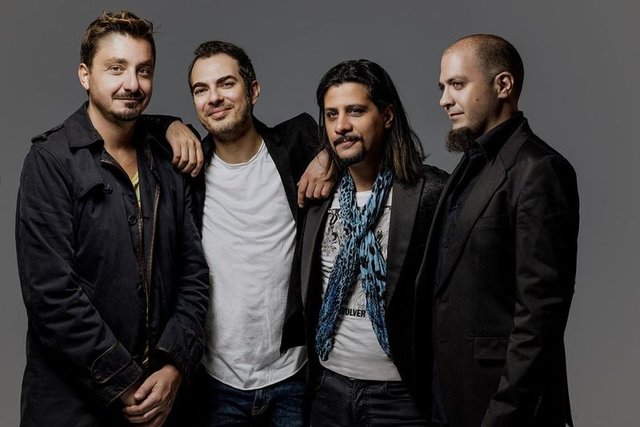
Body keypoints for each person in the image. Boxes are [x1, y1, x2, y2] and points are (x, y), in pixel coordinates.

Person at [15, 10, 209, 427]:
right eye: (116, 68)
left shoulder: (168, 160)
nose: (132, 84)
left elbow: (193, 275)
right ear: (85, 75)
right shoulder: (50, 162)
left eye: (144, 70)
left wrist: (175, 366)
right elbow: (51, 295)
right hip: (72, 407)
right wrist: (126, 383)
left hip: (162, 402)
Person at [415, 34, 580, 427]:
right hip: (446, 397)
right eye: (442, 87)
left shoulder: (539, 170)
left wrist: (503, 415)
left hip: (501, 407)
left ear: (503, 85)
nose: (444, 100)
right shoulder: (470, 164)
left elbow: (539, 317)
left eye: (457, 84)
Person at [182, 40, 330, 426]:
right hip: (216, 381)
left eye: (226, 83)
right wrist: (168, 125)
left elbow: (362, 136)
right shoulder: (187, 173)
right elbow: (129, 125)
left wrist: (328, 155)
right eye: (201, 89)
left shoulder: (298, 144)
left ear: (254, 90)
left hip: (293, 374)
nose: (214, 97)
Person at [300, 59, 448, 426]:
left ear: (387, 116)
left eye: (355, 111)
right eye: (331, 115)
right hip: (327, 391)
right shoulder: (318, 196)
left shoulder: (431, 194)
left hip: (401, 397)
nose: (341, 126)